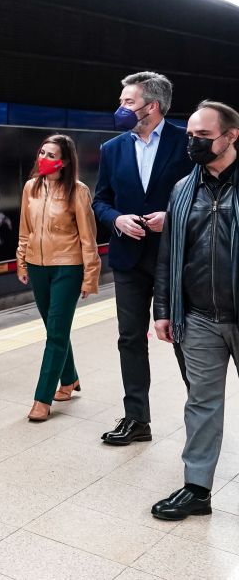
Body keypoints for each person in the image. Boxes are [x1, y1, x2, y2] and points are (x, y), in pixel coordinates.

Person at [92, 71, 192, 445]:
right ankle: (137, 419)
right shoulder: (112, 148)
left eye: (127, 102)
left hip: (177, 258)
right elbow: (99, 200)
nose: (120, 107)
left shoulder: (187, 142)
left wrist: (173, 217)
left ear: (152, 106)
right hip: (129, 259)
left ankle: (198, 417)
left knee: (183, 338)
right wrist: (116, 219)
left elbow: (206, 194)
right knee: (130, 338)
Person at [152, 100, 239, 520]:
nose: (194, 143)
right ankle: (197, 489)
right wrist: (164, 308)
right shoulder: (184, 189)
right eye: (190, 135)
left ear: (231, 136)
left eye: (203, 136)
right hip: (200, 316)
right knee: (201, 404)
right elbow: (170, 252)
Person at [16, 135, 100, 421]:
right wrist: (21, 261)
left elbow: (89, 237)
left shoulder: (78, 191)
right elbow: (24, 229)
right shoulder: (31, 188)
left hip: (68, 267)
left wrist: (90, 275)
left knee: (55, 333)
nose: (43, 158)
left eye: (51, 155)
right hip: (36, 266)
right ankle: (70, 378)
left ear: (63, 162)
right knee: (55, 328)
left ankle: (42, 399)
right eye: (42, 152)